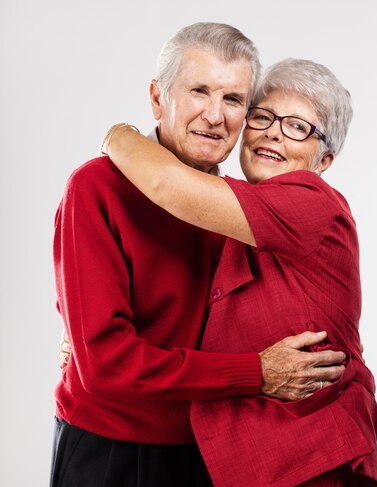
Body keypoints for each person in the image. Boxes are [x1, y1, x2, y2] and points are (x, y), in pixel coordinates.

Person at [51, 24, 347, 487]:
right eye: (199, 91)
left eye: (233, 100)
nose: (215, 115)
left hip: (213, 450)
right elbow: (105, 362)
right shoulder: (95, 188)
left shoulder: (240, 208)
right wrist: (255, 373)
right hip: (113, 449)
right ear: (157, 98)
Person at [104, 58, 377, 486]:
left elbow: (165, 184)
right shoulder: (237, 218)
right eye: (263, 116)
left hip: (309, 462)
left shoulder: (312, 203)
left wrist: (117, 135)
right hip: (238, 464)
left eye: (298, 127)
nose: (273, 131)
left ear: (324, 159)